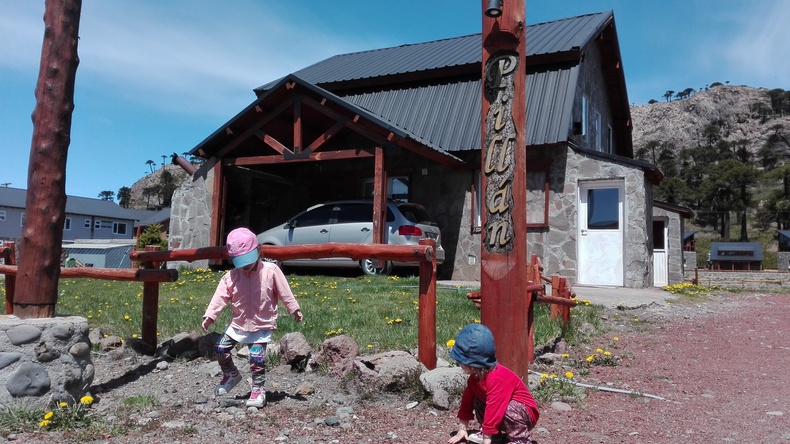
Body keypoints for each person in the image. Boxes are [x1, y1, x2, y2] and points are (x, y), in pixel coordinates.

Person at [201, 227, 303, 408]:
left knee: (256, 359)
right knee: (220, 349)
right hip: (238, 323)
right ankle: (231, 375)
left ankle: (258, 389)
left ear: (258, 250)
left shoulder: (271, 271)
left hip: (261, 324)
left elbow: (285, 292)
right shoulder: (231, 277)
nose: (246, 266)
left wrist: (293, 309)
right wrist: (210, 316)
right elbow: (219, 297)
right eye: (240, 261)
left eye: (248, 260)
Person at [448, 323, 539, 444]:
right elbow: (467, 402)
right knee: (477, 399)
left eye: (462, 362)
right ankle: (495, 435)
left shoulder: (496, 378)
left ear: (472, 363)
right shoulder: (475, 378)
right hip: (502, 410)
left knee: (507, 408)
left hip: (524, 412)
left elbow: (494, 408)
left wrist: (487, 439)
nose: (460, 365)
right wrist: (462, 429)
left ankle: (520, 439)